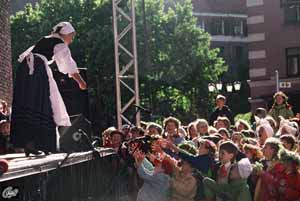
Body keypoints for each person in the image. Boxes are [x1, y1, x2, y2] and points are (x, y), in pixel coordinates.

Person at [10, 22, 87, 156]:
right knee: (44, 103)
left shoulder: (45, 39)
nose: (71, 40)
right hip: (37, 70)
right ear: (67, 34)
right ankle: (42, 144)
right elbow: (68, 66)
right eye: (71, 36)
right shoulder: (60, 43)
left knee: (29, 104)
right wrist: (81, 82)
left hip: (26, 71)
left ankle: (30, 143)